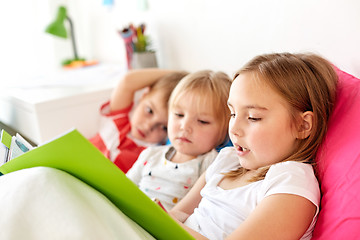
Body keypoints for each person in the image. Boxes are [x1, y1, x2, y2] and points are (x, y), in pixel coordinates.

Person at [169, 53, 338, 240]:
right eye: (232, 113)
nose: (233, 129)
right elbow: (177, 215)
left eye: (253, 117)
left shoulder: (290, 181)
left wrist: (168, 224)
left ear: (303, 125)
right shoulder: (227, 160)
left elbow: (171, 224)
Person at [126, 70, 232, 211]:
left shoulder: (212, 165)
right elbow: (123, 189)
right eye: (179, 114)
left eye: (202, 121)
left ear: (224, 131)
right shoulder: (150, 154)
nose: (185, 126)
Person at [90, 69, 188, 173]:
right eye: (149, 111)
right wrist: (179, 77)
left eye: (164, 127)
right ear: (144, 96)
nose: (148, 126)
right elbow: (127, 81)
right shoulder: (119, 119)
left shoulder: (154, 155)